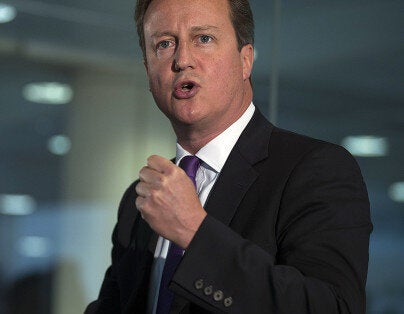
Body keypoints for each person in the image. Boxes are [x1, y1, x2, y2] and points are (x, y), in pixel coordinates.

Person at [85, 0, 372, 313]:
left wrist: (194, 232)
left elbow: (332, 308)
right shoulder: (139, 200)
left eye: (203, 39)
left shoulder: (316, 170)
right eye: (165, 44)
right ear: (147, 70)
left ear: (245, 60)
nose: (182, 60)